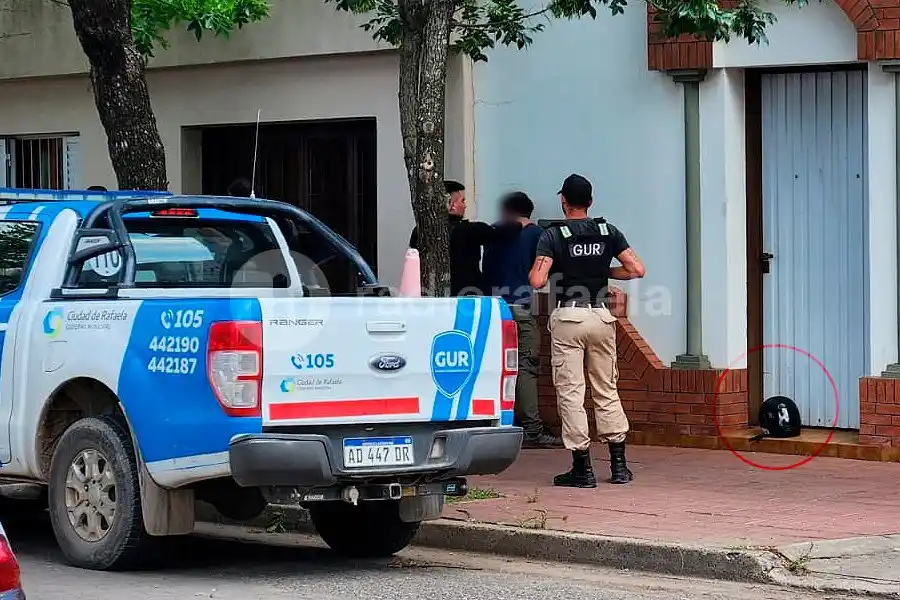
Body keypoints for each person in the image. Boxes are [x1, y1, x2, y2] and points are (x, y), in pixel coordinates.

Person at [529, 174, 646, 488]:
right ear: (591, 202)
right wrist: (604, 271)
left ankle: (582, 469)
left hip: (569, 317)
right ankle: (619, 467)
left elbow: (537, 281)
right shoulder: (608, 230)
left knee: (571, 392)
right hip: (602, 317)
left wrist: (550, 265)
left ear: (563, 202)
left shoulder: (554, 234)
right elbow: (637, 269)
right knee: (606, 389)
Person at [483, 191, 562, 449]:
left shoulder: (494, 231)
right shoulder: (535, 235)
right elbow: (541, 272)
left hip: (493, 308)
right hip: (520, 308)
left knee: (497, 366)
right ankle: (531, 429)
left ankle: (499, 422)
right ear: (529, 212)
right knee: (526, 366)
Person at [409, 180, 521, 296]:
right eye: (462, 201)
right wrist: (517, 220)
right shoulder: (470, 230)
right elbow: (504, 234)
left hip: (431, 294)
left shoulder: (419, 232)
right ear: (451, 206)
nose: (465, 205)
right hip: (468, 295)